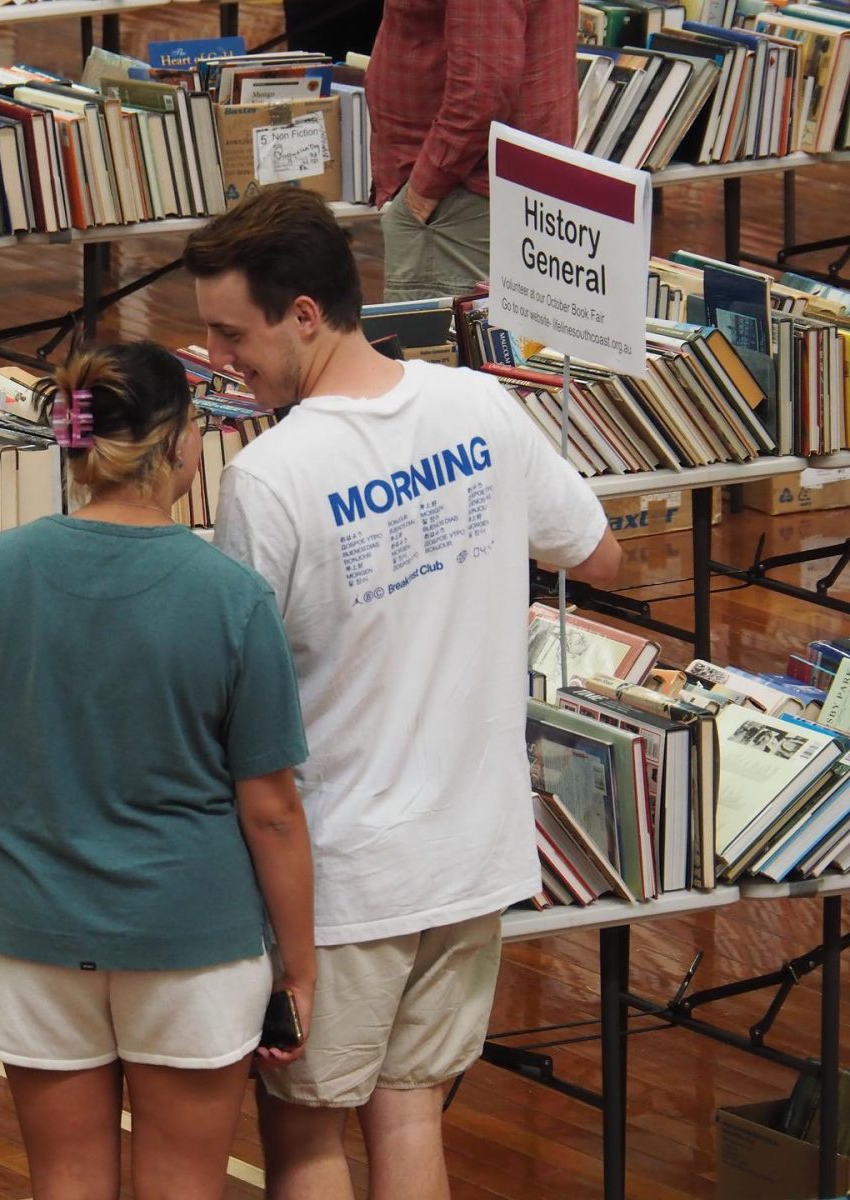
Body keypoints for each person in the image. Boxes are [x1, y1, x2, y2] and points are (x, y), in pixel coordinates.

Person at [182, 186, 622, 1200]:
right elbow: (596, 551)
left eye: (228, 332)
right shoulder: (478, 404)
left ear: (303, 315)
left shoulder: (272, 477)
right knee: (413, 1113)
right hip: (472, 851)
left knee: (304, 1139)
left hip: (342, 876)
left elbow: (233, 695)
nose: (214, 357)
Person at [0, 341, 316, 1200]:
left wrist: (7, 713)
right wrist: (297, 968)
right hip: (194, 942)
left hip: (36, 934)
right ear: (184, 444)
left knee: (67, 1183)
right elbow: (271, 812)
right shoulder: (231, 597)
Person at [366, 0, 579, 300]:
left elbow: (483, 91)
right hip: (486, 192)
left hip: (459, 200)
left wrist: (422, 192)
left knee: (441, 345)